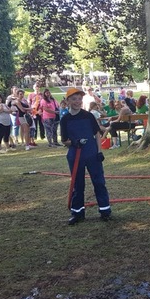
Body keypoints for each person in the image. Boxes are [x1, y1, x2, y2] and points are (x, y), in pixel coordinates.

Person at [60, 87, 111, 225]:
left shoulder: (88, 116)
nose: (78, 101)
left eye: (79, 99)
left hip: (92, 154)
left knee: (99, 182)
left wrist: (99, 152)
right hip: (75, 156)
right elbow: (64, 140)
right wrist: (73, 143)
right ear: (68, 101)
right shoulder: (65, 119)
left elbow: (97, 134)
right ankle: (77, 213)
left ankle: (105, 211)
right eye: (74, 99)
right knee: (78, 184)